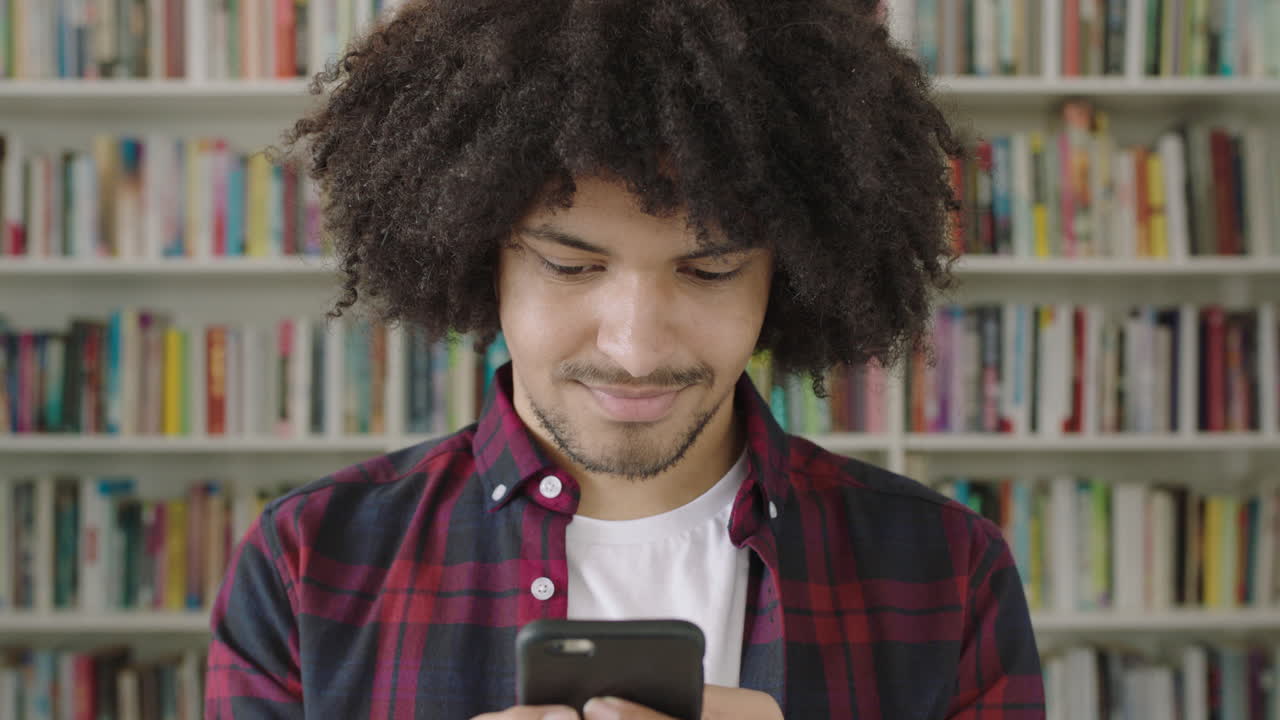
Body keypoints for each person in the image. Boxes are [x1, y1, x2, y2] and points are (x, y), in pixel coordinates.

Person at [204, 0, 1046, 718]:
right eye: (570, 266)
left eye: (710, 270)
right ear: (476, 252)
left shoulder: (947, 571)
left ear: (786, 277)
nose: (636, 348)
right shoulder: (308, 563)